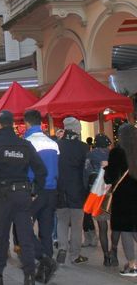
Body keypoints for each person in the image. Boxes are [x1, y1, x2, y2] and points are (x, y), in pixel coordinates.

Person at [0, 110, 47, 285]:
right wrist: (34, 191)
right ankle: (30, 277)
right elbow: (41, 170)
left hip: (2, 197)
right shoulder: (24, 145)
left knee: (2, 237)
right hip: (23, 195)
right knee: (25, 237)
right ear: (13, 124)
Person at [24, 110, 59, 283]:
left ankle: (44, 259)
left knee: (23, 227)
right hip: (51, 191)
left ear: (27, 124)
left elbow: (27, 171)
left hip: (34, 192)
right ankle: (45, 270)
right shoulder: (52, 143)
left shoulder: (27, 142)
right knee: (46, 230)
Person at [104, 124, 137, 276]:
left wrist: (106, 168)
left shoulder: (116, 152)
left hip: (123, 197)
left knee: (125, 230)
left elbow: (109, 178)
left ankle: (132, 264)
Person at [56, 117, 89, 265]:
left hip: (60, 189)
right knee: (76, 224)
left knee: (62, 220)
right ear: (76, 129)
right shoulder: (83, 147)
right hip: (77, 190)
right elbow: (85, 172)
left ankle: (62, 248)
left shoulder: (57, 145)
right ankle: (75, 255)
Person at [85, 133, 120, 266]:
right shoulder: (114, 155)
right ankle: (114, 252)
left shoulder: (90, 155)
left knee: (102, 227)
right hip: (113, 193)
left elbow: (86, 173)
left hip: (98, 194)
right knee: (116, 225)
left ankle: (106, 257)